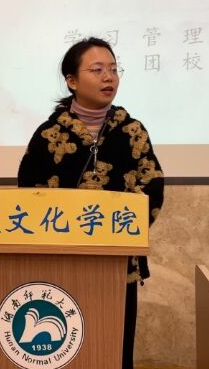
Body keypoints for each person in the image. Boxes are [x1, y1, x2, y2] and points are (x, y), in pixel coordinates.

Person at [17, 37, 164, 368]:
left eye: (113, 69)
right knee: (63, 352)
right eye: (97, 70)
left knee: (114, 351)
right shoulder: (48, 135)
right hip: (59, 263)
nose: (108, 77)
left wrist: (123, 226)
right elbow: (27, 194)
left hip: (117, 264)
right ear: (71, 81)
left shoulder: (132, 131)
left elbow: (153, 186)